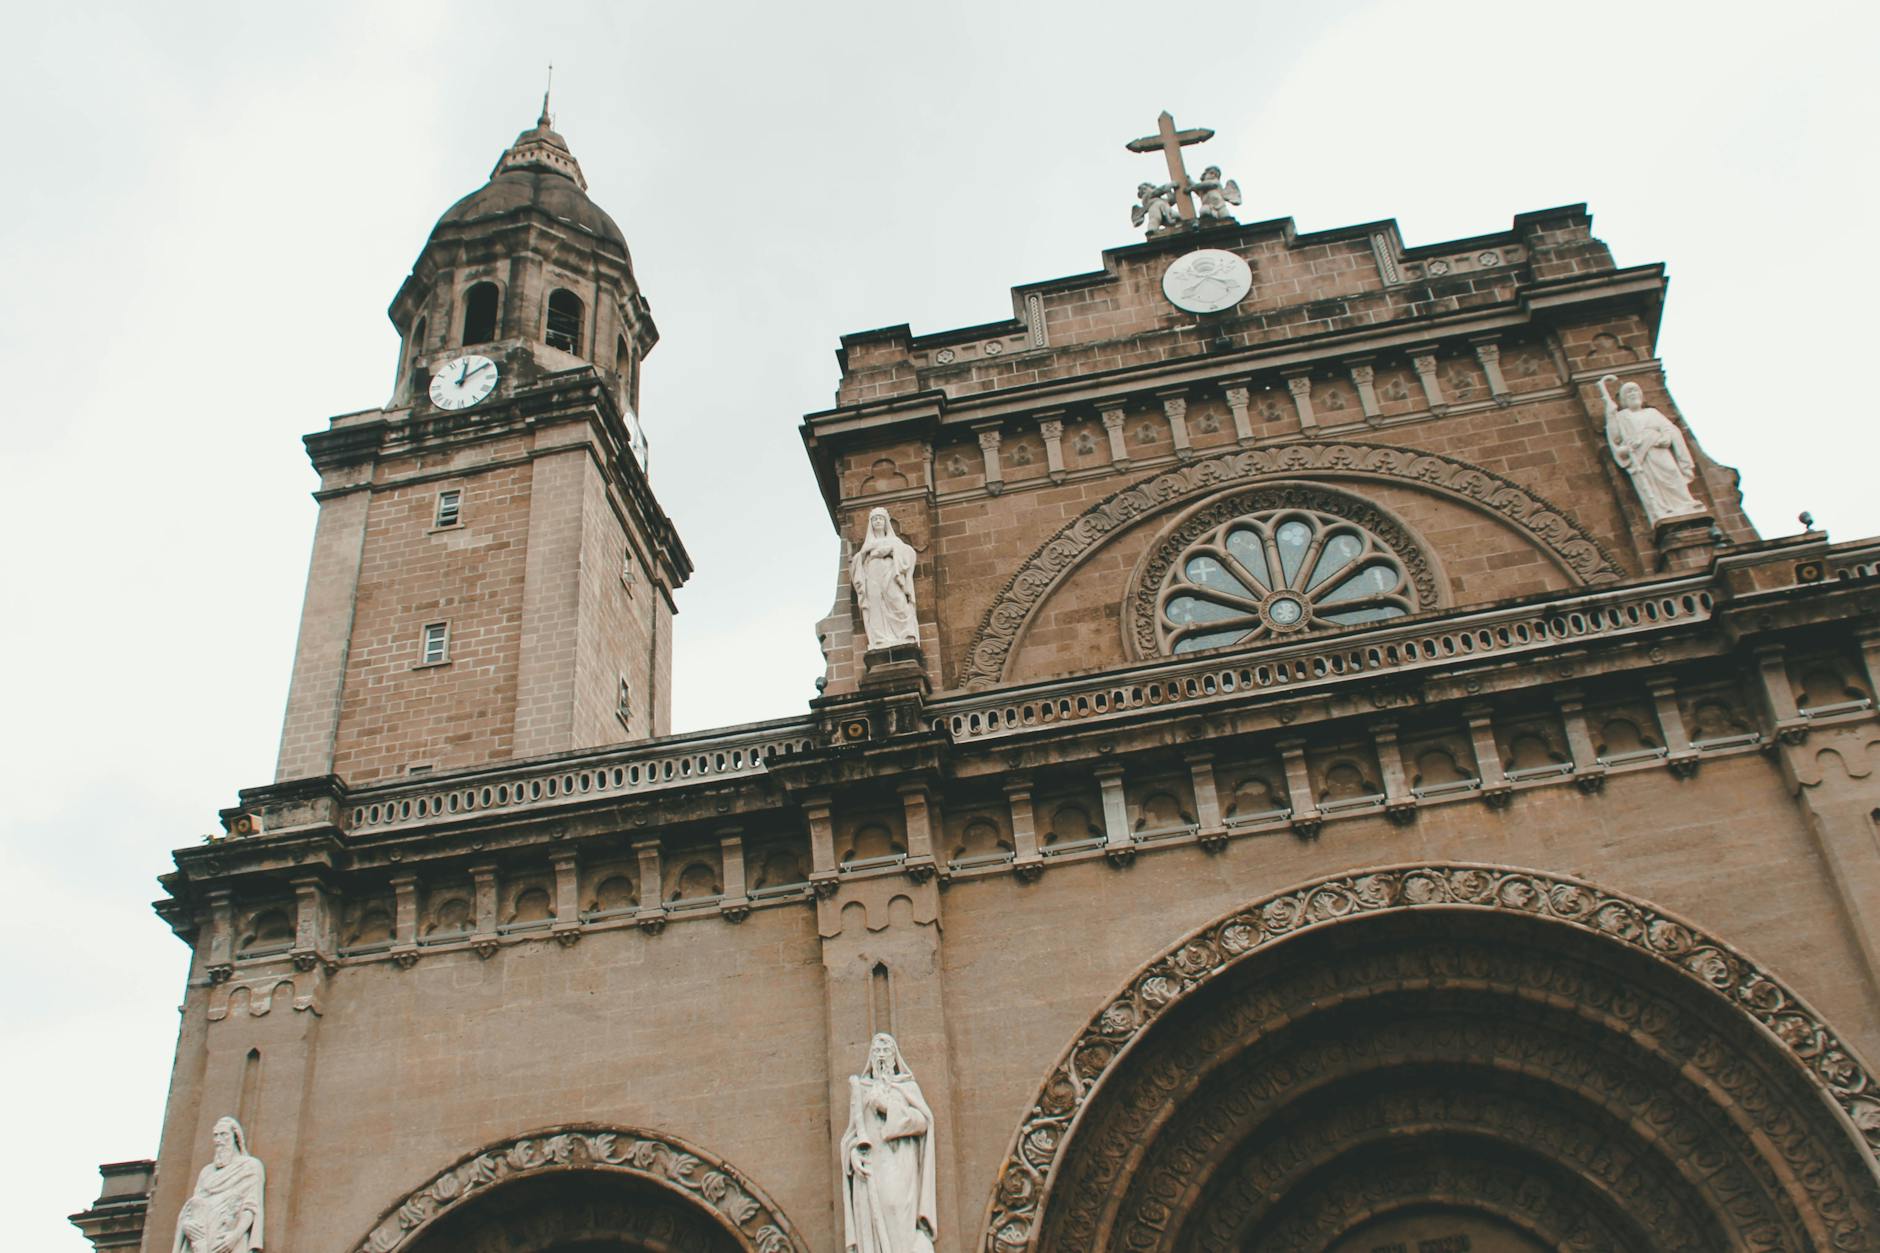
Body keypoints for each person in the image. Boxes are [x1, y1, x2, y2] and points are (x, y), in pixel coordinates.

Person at [841, 1033, 938, 1253]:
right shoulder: (862, 1089)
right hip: (872, 1165)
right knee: (876, 1215)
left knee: (897, 1208)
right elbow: (851, 1135)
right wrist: (853, 1155)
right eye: (877, 1051)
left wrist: (888, 1108)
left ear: (895, 1058)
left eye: (886, 1051)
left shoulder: (906, 1087)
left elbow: (923, 1121)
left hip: (901, 1164)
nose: (881, 1056)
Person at [1597, 374, 1704, 522]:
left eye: (1635, 391)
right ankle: (1662, 509)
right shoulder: (1622, 416)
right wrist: (1610, 415)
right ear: (1623, 399)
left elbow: (1669, 428)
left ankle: (1685, 503)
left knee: (1672, 472)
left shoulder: (1652, 413)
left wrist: (1666, 437)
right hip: (1642, 455)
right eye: (1628, 393)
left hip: (1657, 447)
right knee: (1652, 481)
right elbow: (1615, 437)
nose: (1633, 394)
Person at [174, 1116, 265, 1253]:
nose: (218, 1140)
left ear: (235, 1137)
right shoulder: (206, 1172)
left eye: (224, 1135)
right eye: (215, 1135)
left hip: (227, 1237)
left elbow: (251, 1206)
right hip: (201, 1240)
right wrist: (186, 1225)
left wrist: (233, 1237)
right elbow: (193, 1206)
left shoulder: (250, 1166)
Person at [851, 507, 919, 650]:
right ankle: (880, 638)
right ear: (871, 523)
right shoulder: (867, 545)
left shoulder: (894, 541)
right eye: (874, 519)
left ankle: (906, 634)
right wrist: (865, 553)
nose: (877, 521)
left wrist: (889, 550)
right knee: (875, 605)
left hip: (890, 574)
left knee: (897, 600)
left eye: (880, 518)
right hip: (872, 575)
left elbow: (908, 553)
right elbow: (858, 561)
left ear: (886, 522)